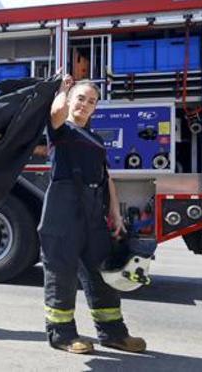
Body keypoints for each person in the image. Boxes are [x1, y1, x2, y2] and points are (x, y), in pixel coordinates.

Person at [38, 75, 146, 354]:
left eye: (91, 101)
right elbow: (55, 112)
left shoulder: (95, 139)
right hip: (63, 208)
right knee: (61, 271)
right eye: (80, 98)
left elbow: (106, 177)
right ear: (71, 100)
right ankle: (61, 334)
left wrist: (116, 214)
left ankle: (112, 333)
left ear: (96, 108)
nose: (85, 105)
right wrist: (62, 90)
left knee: (102, 272)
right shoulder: (60, 130)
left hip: (93, 209)